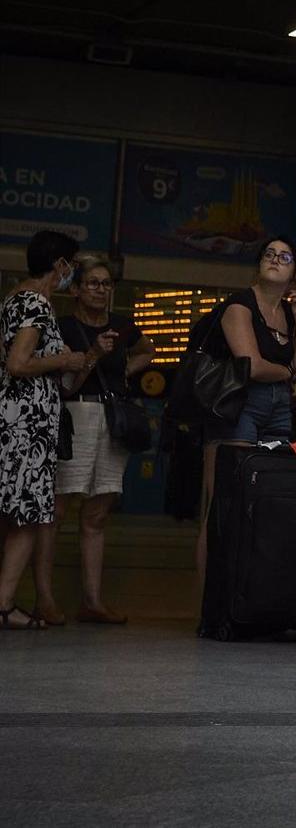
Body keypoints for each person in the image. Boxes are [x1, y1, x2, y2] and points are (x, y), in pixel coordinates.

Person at [34, 256, 156, 626]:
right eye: (93, 283)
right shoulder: (62, 327)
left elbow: (147, 350)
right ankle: (45, 598)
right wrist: (94, 355)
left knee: (98, 512)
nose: (101, 290)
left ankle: (93, 600)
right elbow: (65, 382)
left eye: (106, 284)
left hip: (112, 419)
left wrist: (122, 369)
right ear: (75, 289)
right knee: (56, 510)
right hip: (75, 415)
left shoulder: (122, 325)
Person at [195, 237, 296, 578]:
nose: (275, 260)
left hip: (278, 408)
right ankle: (213, 599)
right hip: (238, 405)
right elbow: (251, 365)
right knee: (224, 500)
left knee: (265, 499)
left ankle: (247, 589)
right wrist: (288, 372)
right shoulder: (240, 306)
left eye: (285, 256)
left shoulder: (289, 315)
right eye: (269, 254)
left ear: (295, 274)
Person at [1, 230, 86, 630]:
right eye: (74, 264)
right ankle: (3, 605)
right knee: (28, 517)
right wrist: (64, 360)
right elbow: (18, 363)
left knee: (13, 512)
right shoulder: (36, 303)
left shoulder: (14, 299)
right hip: (25, 428)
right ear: (60, 266)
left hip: (14, 420)